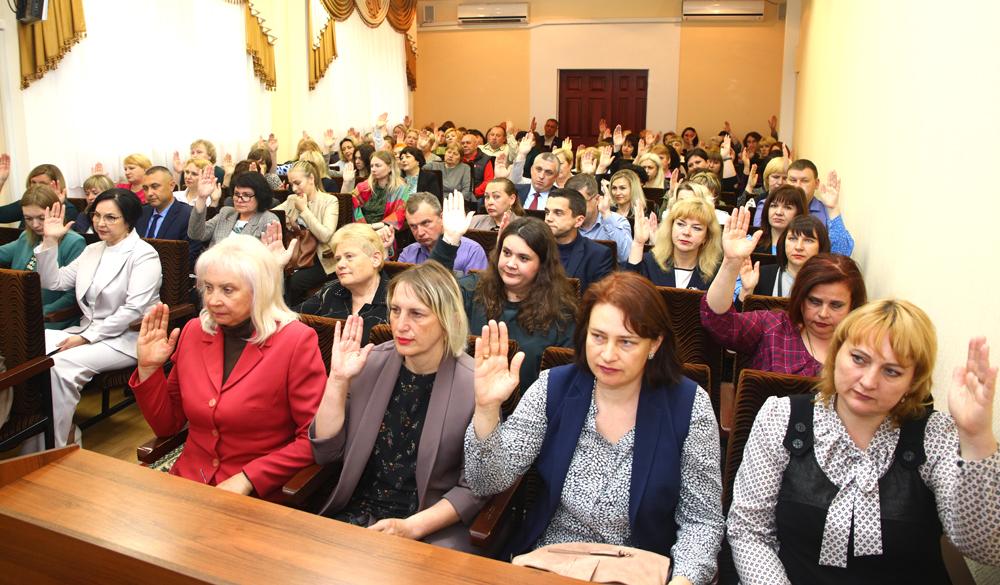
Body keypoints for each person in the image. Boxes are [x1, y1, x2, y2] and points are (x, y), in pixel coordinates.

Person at [464, 272, 724, 584]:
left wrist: (683, 580)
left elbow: (702, 520)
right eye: (598, 337)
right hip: (553, 564)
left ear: (654, 344)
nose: (608, 355)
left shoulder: (689, 406)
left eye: (626, 342)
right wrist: (487, 408)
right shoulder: (554, 388)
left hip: (639, 570)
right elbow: (486, 482)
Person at [728, 301, 1000, 584]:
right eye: (859, 359)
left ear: (912, 382)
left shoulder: (936, 434)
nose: (869, 381)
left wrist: (976, 437)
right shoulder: (782, 417)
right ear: (836, 353)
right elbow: (749, 530)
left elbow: (986, 549)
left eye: (891, 371)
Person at [131, 236, 326, 499]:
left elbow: (311, 440)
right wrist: (148, 368)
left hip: (256, 492)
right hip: (188, 481)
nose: (213, 300)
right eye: (208, 288)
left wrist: (249, 478)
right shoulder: (193, 331)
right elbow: (168, 426)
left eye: (227, 290)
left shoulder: (295, 341)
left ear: (259, 290)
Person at [309, 264, 487, 551]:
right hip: (358, 514)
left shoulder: (475, 384)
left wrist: (410, 527)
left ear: (448, 320)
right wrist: (338, 380)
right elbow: (326, 452)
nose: (401, 325)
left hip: (429, 527)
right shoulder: (370, 362)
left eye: (416, 314)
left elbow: (475, 488)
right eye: (395, 310)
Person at [25, 191, 161, 451]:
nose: (100, 223)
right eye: (97, 215)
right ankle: (44, 431)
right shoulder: (92, 250)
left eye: (110, 217)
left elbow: (133, 310)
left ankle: (58, 445)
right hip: (88, 330)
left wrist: (85, 338)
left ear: (129, 220)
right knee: (28, 349)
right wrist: (50, 241)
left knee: (58, 366)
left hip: (127, 337)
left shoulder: (144, 255)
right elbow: (53, 281)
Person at [701, 208, 866, 376]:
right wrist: (731, 263)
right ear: (800, 298)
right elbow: (720, 323)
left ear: (853, 306)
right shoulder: (774, 326)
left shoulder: (863, 348)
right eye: (814, 301)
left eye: (836, 305)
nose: (823, 314)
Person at [431, 201, 576, 390]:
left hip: (525, 405)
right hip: (463, 396)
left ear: (542, 265)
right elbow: (428, 294)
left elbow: (562, 382)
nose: (510, 264)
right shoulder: (473, 289)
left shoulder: (562, 316)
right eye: (506, 253)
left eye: (523, 258)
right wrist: (449, 240)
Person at [0, 185, 85, 329]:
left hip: (51, 318)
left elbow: (74, 295)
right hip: (17, 311)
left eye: (41, 218)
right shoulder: (26, 236)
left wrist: (38, 312)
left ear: (55, 213)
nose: (35, 225)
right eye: (28, 218)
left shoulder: (74, 242)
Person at [293, 224, 389, 344]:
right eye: (338, 259)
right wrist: (277, 267)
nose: (340, 265)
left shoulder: (396, 299)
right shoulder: (331, 291)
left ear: (375, 259)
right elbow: (290, 318)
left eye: (349, 256)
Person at [752, 160, 855, 255]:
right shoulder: (768, 205)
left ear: (816, 183)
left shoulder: (826, 209)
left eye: (804, 181)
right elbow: (762, 239)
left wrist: (833, 208)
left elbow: (842, 253)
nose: (798, 186)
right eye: (793, 180)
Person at [273, 160, 340, 306]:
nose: (294, 188)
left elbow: (325, 236)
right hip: (296, 255)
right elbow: (272, 215)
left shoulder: (330, 201)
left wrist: (304, 210)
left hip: (321, 258)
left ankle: (293, 313)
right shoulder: (292, 199)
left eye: (298, 183)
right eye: (291, 184)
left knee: (294, 282)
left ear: (311, 178)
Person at [626, 198, 722, 290]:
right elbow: (629, 293)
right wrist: (638, 243)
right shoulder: (650, 261)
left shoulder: (716, 272)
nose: (686, 232)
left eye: (696, 228)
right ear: (671, 227)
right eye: (680, 224)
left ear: (706, 236)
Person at [738, 215, 831, 301]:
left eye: (808, 240)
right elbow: (739, 313)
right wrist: (747, 290)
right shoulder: (761, 275)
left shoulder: (829, 282)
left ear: (821, 246)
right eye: (792, 239)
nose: (798, 247)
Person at [188, 168, 280, 249]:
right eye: (236, 194)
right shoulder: (226, 213)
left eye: (246, 195)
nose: (239, 200)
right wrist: (202, 198)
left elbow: (266, 257)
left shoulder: (268, 220)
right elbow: (196, 234)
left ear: (260, 196)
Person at [399, 192, 487, 276]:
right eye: (413, 226)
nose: (420, 233)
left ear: (442, 218)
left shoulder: (472, 251)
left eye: (425, 223)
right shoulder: (407, 254)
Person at [544, 188, 614, 293]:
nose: (548, 218)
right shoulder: (534, 247)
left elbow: (600, 298)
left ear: (579, 221)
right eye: (547, 212)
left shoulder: (598, 255)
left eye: (558, 213)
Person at [136, 166, 202, 264]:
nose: (149, 193)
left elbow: (190, 255)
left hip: (172, 270)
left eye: (155, 186)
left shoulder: (189, 215)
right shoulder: (141, 213)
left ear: (171, 186)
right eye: (145, 188)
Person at [351, 150, 412, 248]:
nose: (373, 169)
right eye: (371, 166)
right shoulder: (363, 187)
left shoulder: (401, 189)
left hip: (386, 233)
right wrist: (366, 228)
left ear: (390, 167)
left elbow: (400, 214)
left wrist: (380, 227)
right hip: (362, 232)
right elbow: (353, 207)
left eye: (378, 166)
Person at [567, 173, 632, 264]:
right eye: (571, 203)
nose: (575, 208)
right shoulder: (564, 221)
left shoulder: (617, 221)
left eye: (581, 202)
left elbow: (625, 256)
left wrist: (606, 215)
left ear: (597, 199)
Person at [0, 160, 79, 225]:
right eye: (33, 182)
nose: (36, 187)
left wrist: (55, 204)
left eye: (43, 183)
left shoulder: (68, 209)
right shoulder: (27, 204)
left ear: (56, 185)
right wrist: (1, 181)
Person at [753, 185, 807, 255]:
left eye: (787, 207)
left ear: (799, 212)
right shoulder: (752, 242)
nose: (778, 212)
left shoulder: (803, 249)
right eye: (774, 206)